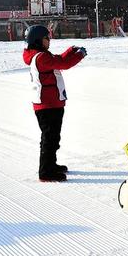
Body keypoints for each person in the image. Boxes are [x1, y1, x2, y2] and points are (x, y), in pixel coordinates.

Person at [22, 25, 86, 182]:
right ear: (37, 40)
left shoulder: (41, 56)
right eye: (46, 38)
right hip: (47, 105)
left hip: (52, 103)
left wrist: (71, 50)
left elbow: (59, 59)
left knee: (53, 138)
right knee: (49, 139)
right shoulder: (41, 58)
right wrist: (80, 55)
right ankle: (46, 172)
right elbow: (63, 64)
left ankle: (51, 165)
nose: (49, 41)